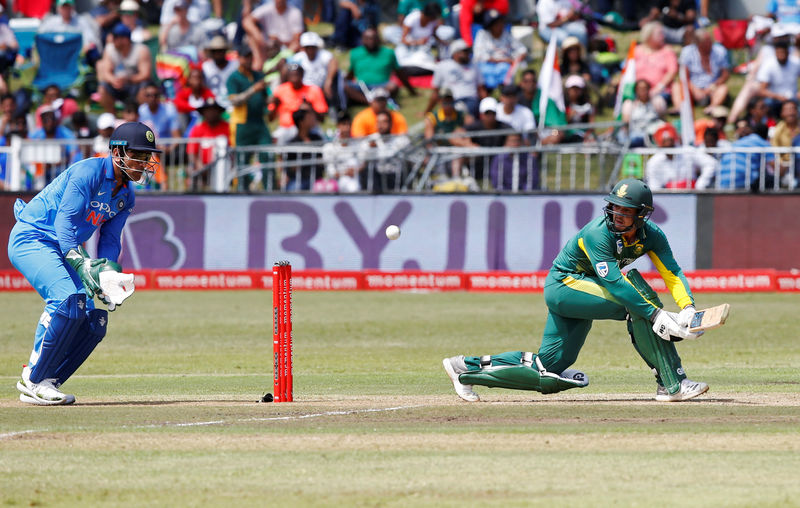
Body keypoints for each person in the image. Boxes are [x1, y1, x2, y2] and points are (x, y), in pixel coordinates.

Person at [443, 178, 709, 403]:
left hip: (584, 291)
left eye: (625, 211)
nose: (617, 215)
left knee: (548, 370)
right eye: (614, 207)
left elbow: (672, 272)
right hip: (565, 286)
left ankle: (464, 369)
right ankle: (672, 383)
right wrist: (657, 316)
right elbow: (615, 283)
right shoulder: (598, 233)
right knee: (637, 300)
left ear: (641, 215)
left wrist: (687, 307)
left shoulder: (652, 235)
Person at [8, 122, 159, 405]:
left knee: (93, 321)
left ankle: (48, 380)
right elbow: (64, 224)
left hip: (63, 248)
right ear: (117, 152)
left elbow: (111, 240)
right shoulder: (87, 172)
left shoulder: (126, 194)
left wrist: (107, 275)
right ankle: (33, 379)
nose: (144, 163)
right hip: (33, 238)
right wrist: (80, 262)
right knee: (67, 300)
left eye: (146, 156)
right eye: (138, 155)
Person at [226, 45, 271, 190]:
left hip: (259, 122)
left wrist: (271, 100)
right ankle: (242, 192)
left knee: (267, 156)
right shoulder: (234, 78)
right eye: (245, 57)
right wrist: (253, 90)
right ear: (239, 58)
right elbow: (234, 101)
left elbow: (265, 98)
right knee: (242, 160)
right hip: (242, 123)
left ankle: (270, 189)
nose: (249, 60)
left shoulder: (258, 75)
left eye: (250, 56)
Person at [345, 28, 416, 105]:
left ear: (378, 40)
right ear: (362, 40)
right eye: (367, 39)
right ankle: (372, 102)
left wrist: (412, 91)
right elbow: (351, 73)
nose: (370, 41)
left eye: (373, 39)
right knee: (344, 86)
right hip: (362, 86)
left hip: (382, 86)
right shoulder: (355, 53)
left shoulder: (389, 53)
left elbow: (399, 73)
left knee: (393, 86)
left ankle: (367, 100)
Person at [96, 23, 152, 113]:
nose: (113, 40)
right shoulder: (109, 49)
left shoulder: (141, 50)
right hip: (117, 84)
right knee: (102, 88)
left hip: (135, 84)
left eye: (115, 38)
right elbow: (106, 72)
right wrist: (114, 80)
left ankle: (141, 117)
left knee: (144, 89)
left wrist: (127, 80)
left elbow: (145, 74)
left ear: (125, 39)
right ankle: (112, 118)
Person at [644, 123, 718, 189]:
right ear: (660, 144)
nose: (668, 144)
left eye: (671, 141)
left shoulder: (688, 152)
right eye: (664, 142)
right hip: (667, 198)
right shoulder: (654, 162)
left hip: (692, 195)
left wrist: (701, 185)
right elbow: (654, 187)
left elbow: (711, 163)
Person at [269, 63, 328, 144]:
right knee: (276, 139)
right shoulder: (280, 90)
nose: (294, 77)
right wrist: (275, 104)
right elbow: (270, 118)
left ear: (302, 74)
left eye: (297, 74)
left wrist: (310, 107)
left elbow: (322, 119)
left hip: (310, 128)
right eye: (291, 74)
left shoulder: (313, 90)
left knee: (322, 141)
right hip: (287, 128)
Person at [427, 39, 484, 118]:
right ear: (455, 53)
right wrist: (427, 111)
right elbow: (435, 92)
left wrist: (485, 103)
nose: (467, 54)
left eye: (468, 51)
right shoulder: (443, 66)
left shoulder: (474, 66)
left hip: (471, 100)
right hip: (451, 101)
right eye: (464, 51)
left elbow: (481, 89)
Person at [473, 10, 527, 91]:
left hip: (505, 66)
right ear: (490, 26)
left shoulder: (506, 34)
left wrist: (515, 60)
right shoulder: (482, 34)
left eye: (501, 22)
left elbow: (522, 50)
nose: (500, 25)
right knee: (485, 72)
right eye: (496, 24)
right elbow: (479, 56)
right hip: (487, 66)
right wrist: (502, 60)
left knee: (508, 69)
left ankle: (507, 92)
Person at [679, 30, 730, 114]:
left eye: (710, 40)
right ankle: (680, 108)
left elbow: (725, 74)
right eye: (706, 42)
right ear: (698, 43)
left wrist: (713, 86)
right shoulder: (687, 52)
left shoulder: (719, 51)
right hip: (694, 87)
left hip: (713, 87)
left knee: (723, 89)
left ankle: (712, 107)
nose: (710, 43)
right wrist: (694, 89)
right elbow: (684, 76)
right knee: (678, 86)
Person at [359, 110, 410, 192]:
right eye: (378, 122)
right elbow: (361, 160)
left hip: (394, 175)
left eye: (384, 122)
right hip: (377, 177)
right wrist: (371, 150)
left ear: (390, 124)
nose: (380, 125)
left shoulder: (400, 140)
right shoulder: (371, 141)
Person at [243, 0, 303, 67]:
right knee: (252, 38)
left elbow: (297, 40)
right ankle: (258, 65)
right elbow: (247, 21)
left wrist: (284, 53)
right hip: (268, 47)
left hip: (286, 49)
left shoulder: (295, 12)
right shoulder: (267, 8)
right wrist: (258, 36)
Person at [186, 97, 229, 190]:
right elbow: (191, 152)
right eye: (208, 110)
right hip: (202, 168)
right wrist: (199, 165)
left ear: (219, 112)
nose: (211, 113)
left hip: (223, 167)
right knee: (191, 172)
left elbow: (233, 149)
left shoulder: (227, 128)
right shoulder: (197, 129)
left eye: (214, 110)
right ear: (203, 113)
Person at [717, 122, 777, 190]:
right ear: (766, 135)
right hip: (742, 183)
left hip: (722, 183)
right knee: (772, 180)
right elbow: (778, 170)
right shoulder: (762, 143)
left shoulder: (737, 142)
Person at [634, 22, 678, 109]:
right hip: (638, 91)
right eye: (659, 34)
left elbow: (672, 71)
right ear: (649, 35)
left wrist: (658, 88)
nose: (663, 37)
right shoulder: (636, 51)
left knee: (657, 103)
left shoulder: (667, 51)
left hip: (661, 91)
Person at [284, 108, 325, 191]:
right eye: (309, 118)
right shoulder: (292, 143)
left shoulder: (317, 139)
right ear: (301, 122)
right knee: (293, 188)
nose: (312, 119)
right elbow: (291, 168)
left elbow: (321, 161)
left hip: (316, 180)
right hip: (299, 180)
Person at [755, 41, 800, 117]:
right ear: (775, 53)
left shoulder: (796, 63)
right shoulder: (768, 65)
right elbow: (762, 90)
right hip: (774, 99)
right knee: (764, 105)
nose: (781, 56)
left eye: (783, 53)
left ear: (788, 52)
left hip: (793, 98)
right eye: (779, 53)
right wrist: (777, 96)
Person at [621, 79, 667, 147]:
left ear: (649, 89)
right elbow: (625, 124)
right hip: (636, 135)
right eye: (640, 88)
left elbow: (663, 119)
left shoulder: (657, 102)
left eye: (645, 88)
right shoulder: (629, 104)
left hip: (654, 134)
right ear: (636, 90)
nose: (643, 91)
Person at [202, 36, 238, 111]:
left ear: (225, 51)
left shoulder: (235, 65)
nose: (218, 54)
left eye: (220, 51)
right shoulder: (206, 67)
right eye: (215, 51)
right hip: (213, 105)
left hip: (233, 104)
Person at [770, 99, 800, 168]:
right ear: (782, 113)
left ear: (797, 112)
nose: (790, 112)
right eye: (787, 110)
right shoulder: (777, 130)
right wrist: (781, 166)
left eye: (792, 109)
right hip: (784, 167)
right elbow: (774, 151)